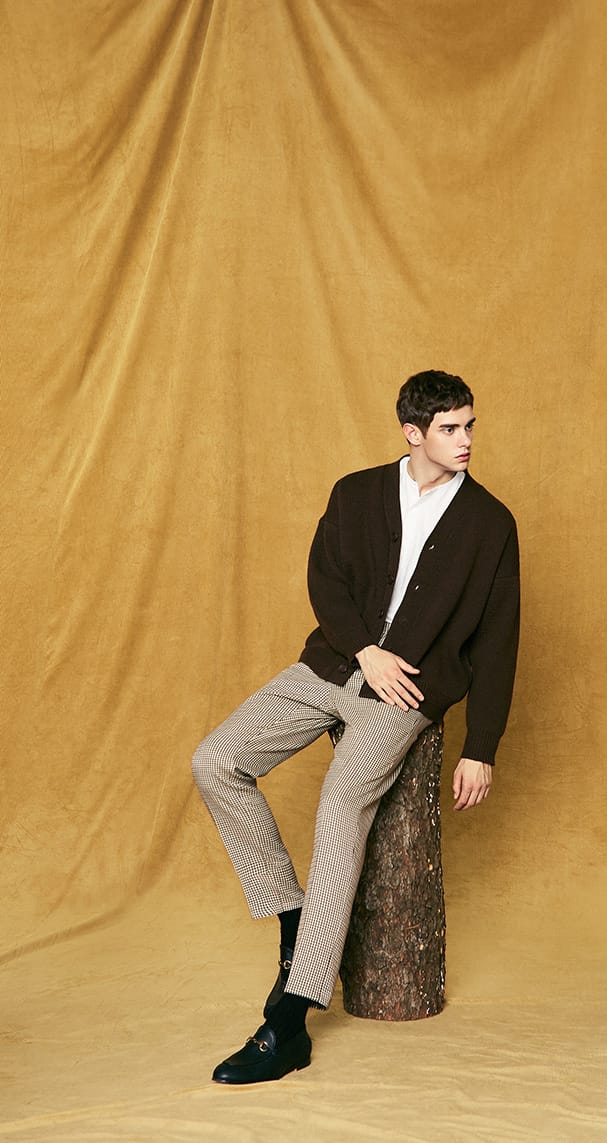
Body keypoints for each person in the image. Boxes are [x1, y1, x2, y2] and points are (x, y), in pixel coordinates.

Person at [192, 369, 520, 1084]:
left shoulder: (490, 523)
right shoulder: (357, 492)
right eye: (450, 428)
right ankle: (292, 915)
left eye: (469, 425)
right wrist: (364, 649)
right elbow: (326, 580)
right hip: (333, 663)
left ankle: (290, 1020)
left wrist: (481, 747)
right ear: (413, 432)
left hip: (403, 696)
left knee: (342, 803)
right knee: (216, 760)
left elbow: (499, 642)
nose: (466, 440)